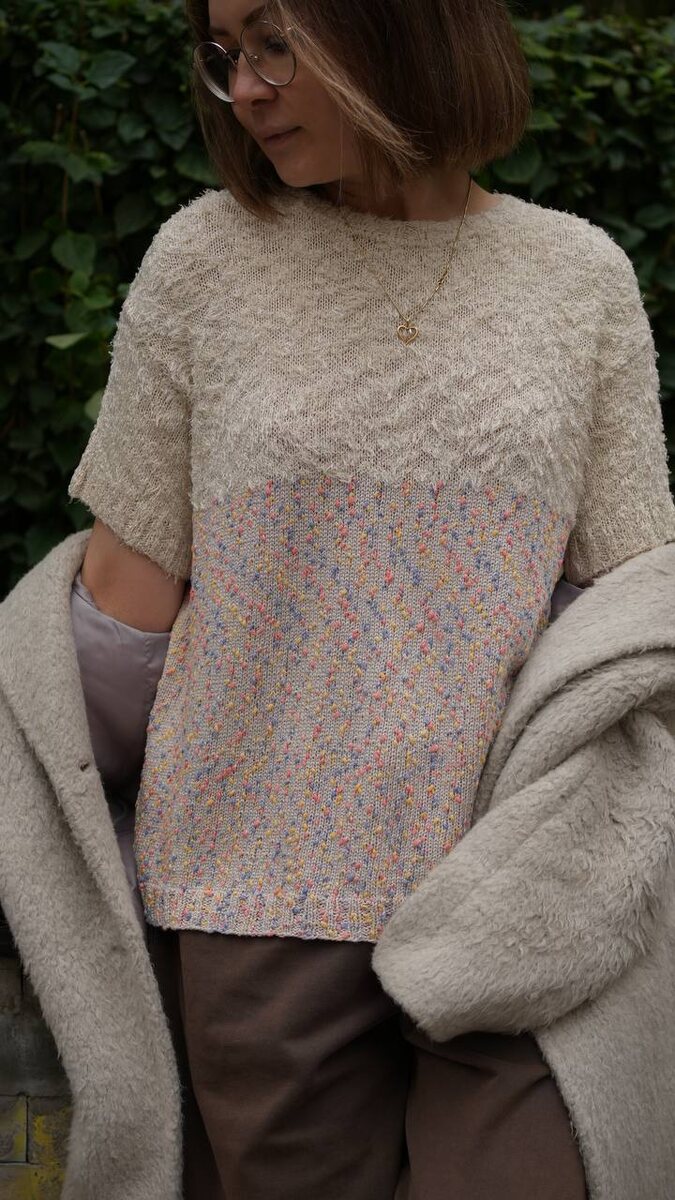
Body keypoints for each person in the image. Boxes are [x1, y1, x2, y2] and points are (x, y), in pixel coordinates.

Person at [66, 0, 675, 1197]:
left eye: (275, 40)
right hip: (257, 878)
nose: (245, 86)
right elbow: (119, 624)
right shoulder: (203, 261)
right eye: (225, 54)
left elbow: (633, 607)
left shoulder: (578, 277)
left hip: (520, 887)